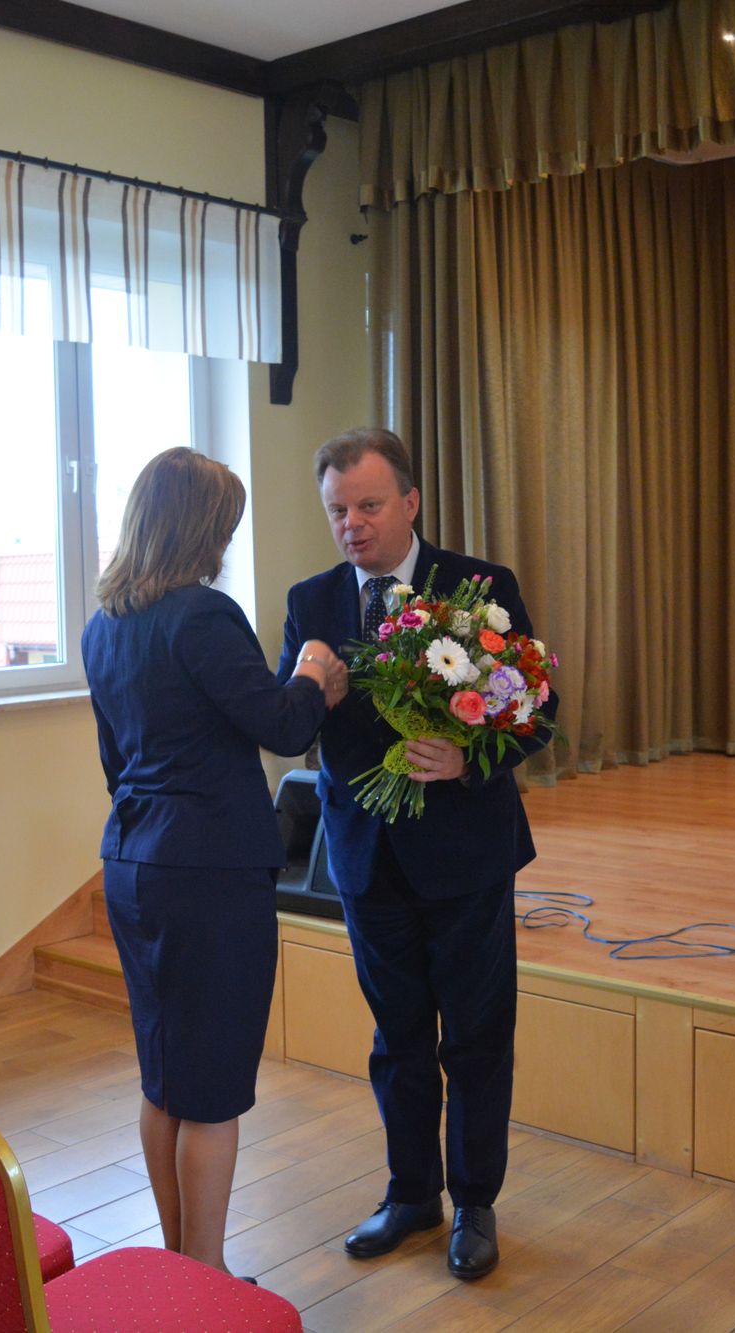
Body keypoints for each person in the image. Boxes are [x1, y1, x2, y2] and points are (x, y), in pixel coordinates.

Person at [276, 428, 557, 1280]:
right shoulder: (311, 601)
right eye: (337, 510)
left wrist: (469, 756)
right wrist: (310, 688)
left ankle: (475, 1202)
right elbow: (291, 719)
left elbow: (537, 712)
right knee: (397, 1037)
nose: (351, 525)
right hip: (365, 858)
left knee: (476, 1036)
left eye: (367, 505)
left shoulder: (479, 589)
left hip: (465, 854)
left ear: (410, 501)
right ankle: (410, 1195)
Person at [82, 447, 347, 1276]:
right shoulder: (201, 614)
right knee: (214, 1088)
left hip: (133, 858)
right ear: (197, 528)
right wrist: (314, 675)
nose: (226, 543)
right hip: (208, 873)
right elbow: (281, 724)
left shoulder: (103, 624)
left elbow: (115, 761)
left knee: (165, 1076)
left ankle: (180, 1265)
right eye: (224, 526)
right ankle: (206, 1278)